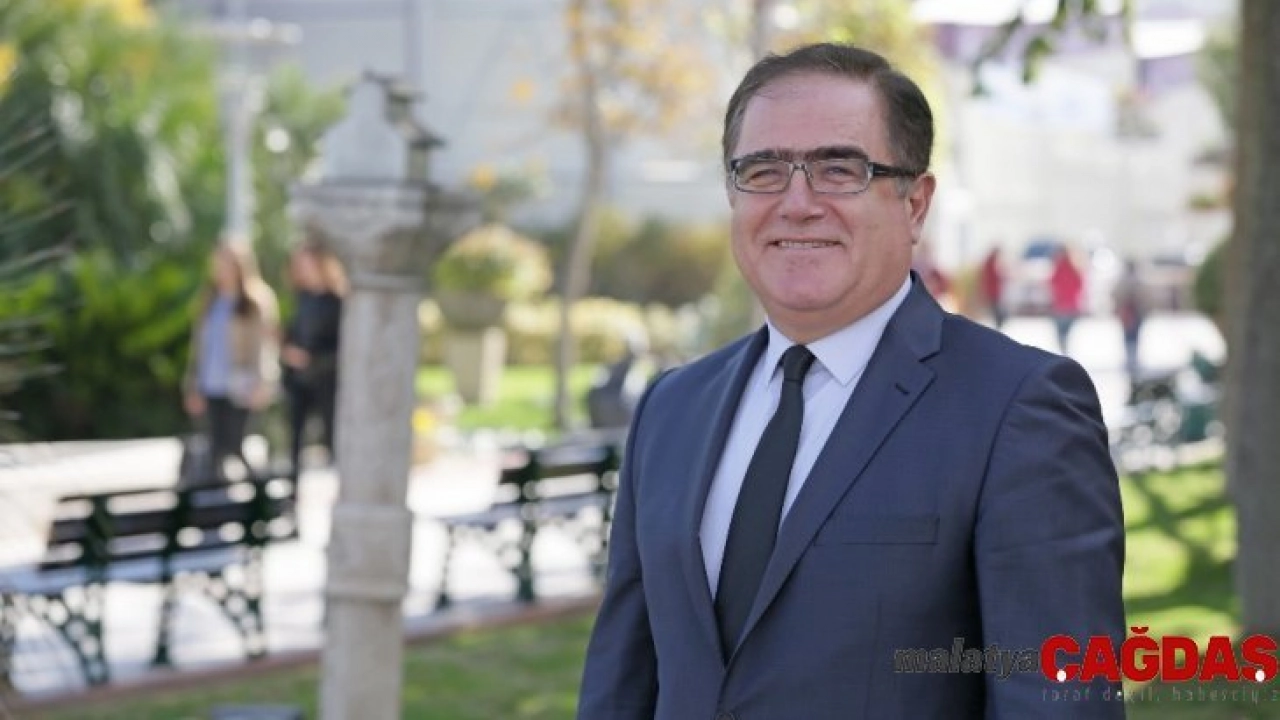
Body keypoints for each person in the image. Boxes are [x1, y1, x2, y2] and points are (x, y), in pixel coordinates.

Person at [578, 43, 1124, 719]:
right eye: (763, 171)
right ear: (732, 194)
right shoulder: (671, 408)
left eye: (839, 170)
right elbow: (620, 686)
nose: (797, 203)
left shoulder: (1019, 410)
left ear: (915, 204)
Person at [183, 241, 280, 482]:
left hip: (241, 384)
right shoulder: (209, 299)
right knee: (215, 447)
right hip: (211, 383)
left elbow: (264, 346)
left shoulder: (255, 300)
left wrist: (264, 381)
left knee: (237, 444)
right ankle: (217, 495)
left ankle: (260, 490)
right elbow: (199, 347)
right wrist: (192, 384)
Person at [281, 240, 346, 477]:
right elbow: (294, 333)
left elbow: (341, 348)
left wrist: (311, 359)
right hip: (299, 380)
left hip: (326, 380)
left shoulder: (337, 301)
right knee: (294, 437)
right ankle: (293, 486)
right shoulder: (302, 298)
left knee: (332, 435)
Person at [1112, 257, 1148, 381]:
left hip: (1131, 313)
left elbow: (1116, 295)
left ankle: (1131, 359)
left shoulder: (1124, 280)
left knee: (1129, 337)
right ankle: (1132, 359)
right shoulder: (1138, 280)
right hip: (1133, 313)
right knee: (1133, 337)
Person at [1049, 245, 1085, 355]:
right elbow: (1079, 284)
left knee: (1061, 333)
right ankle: (1064, 351)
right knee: (1065, 333)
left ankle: (1063, 352)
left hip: (1061, 306)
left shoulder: (1060, 268)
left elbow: (1052, 284)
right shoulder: (1072, 268)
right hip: (1069, 306)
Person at [980, 245, 1006, 328]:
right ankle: (999, 324)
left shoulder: (991, 262)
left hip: (993, 291)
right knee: (996, 311)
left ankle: (998, 325)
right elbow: (990, 278)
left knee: (996, 310)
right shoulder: (990, 263)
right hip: (992, 292)